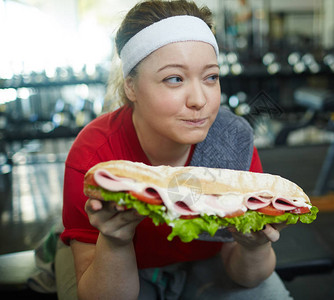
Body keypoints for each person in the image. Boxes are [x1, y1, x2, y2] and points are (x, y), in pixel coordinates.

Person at [55, 1, 293, 299]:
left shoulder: (232, 140)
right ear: (131, 86)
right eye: (174, 79)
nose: (199, 99)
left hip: (202, 258)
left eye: (211, 77)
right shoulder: (97, 158)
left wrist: (254, 245)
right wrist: (114, 241)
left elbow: (247, 277)